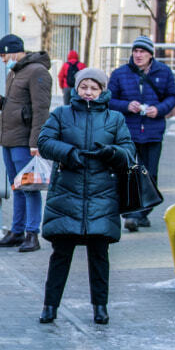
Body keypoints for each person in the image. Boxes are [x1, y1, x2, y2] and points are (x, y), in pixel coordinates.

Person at [36, 68, 136, 325]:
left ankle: (100, 307)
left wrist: (111, 152)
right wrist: (69, 153)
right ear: (77, 89)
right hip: (66, 195)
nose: (88, 93)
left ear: (102, 91)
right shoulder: (61, 114)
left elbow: (128, 151)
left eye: (94, 88)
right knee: (61, 255)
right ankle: (50, 306)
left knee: (99, 255)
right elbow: (44, 142)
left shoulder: (115, 119)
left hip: (102, 195)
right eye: (84, 87)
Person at [0, 34, 52, 252]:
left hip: (25, 142)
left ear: (14, 50)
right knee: (17, 187)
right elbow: (17, 107)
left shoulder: (37, 72)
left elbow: (40, 110)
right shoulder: (16, 72)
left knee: (29, 187)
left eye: (4, 55)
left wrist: (36, 143)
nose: (3, 60)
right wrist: (0, 103)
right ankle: (17, 231)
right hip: (10, 139)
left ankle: (32, 234)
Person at [107, 35, 175, 232]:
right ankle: (132, 214)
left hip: (153, 131)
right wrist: (126, 105)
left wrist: (160, 109)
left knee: (150, 174)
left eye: (143, 52)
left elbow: (173, 96)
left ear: (150, 55)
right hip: (127, 132)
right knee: (129, 172)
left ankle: (143, 212)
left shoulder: (163, 72)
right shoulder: (120, 73)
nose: (138, 55)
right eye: (135, 51)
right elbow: (109, 99)